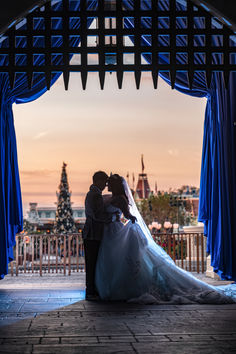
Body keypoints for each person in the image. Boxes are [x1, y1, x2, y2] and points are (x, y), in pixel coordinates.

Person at [95, 175, 236, 304]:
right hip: (111, 233)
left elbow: (129, 216)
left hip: (117, 231)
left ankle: (123, 288)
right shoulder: (111, 197)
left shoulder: (120, 199)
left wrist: (115, 219)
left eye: (110, 183)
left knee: (126, 261)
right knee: (115, 260)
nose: (107, 185)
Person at [82, 171, 112, 301]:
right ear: (98, 181)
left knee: (92, 262)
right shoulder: (95, 195)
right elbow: (96, 215)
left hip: (92, 232)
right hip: (93, 233)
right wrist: (110, 218)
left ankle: (92, 289)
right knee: (92, 263)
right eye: (104, 182)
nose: (105, 185)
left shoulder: (93, 194)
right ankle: (90, 290)